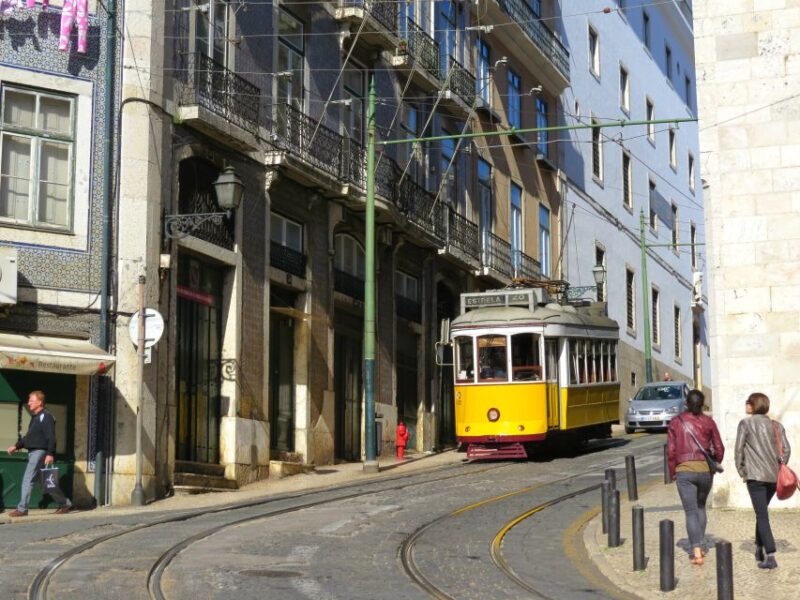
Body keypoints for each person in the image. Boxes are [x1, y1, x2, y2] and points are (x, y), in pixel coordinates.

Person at [667, 389, 724, 566]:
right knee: (700, 507)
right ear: (702, 404)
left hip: (684, 470)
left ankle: (697, 552)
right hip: (704, 470)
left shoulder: (676, 422)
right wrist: (715, 462)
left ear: (686, 403)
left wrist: (673, 471)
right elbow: (719, 448)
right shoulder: (709, 422)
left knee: (690, 511)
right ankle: (701, 544)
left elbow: (671, 451)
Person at [735, 392, 791, 570]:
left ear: (753, 405)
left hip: (755, 478)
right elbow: (787, 450)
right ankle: (759, 548)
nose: (746, 405)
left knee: (762, 514)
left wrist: (742, 471)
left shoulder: (745, 423)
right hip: (774, 478)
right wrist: (779, 467)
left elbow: (738, 450)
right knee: (761, 512)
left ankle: (771, 555)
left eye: (747, 402)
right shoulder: (776, 425)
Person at [6, 391, 72, 516]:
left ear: (40, 402)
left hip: (39, 453)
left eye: (31, 400)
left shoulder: (46, 417)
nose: (29, 403)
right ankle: (65, 503)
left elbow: (51, 437)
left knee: (28, 479)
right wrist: (16, 446)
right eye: (29, 400)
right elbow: (29, 438)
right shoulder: (35, 417)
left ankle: (22, 509)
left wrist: (50, 453)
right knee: (46, 482)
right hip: (34, 453)